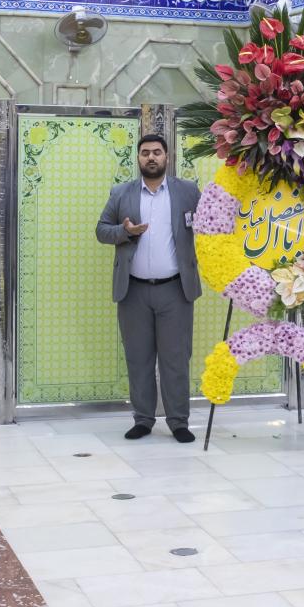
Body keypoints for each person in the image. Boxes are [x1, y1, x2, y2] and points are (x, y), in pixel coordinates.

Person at [95, 134, 202, 442]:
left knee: (175, 358)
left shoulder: (187, 191)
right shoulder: (122, 193)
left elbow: (209, 226)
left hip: (175, 290)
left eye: (157, 152)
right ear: (138, 159)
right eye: (145, 153)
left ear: (167, 157)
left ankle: (178, 421)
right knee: (138, 358)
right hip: (134, 292)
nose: (151, 157)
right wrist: (124, 232)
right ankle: (143, 419)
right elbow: (102, 231)